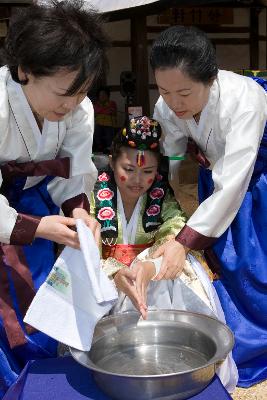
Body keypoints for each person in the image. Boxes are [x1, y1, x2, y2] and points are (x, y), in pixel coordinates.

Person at [0, 0, 109, 396]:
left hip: (36, 207)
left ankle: (44, 380)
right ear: (25, 70)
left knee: (47, 295)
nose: (72, 104)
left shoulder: (78, 110)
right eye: (65, 92)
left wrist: (79, 213)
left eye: (82, 92)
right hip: (9, 215)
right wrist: (30, 227)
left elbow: (73, 169)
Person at [149, 25, 267, 388]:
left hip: (253, 181)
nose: (174, 102)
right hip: (214, 178)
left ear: (211, 79)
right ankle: (233, 335)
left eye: (184, 92)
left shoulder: (245, 99)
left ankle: (258, 345)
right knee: (219, 261)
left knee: (251, 262)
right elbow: (166, 156)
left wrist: (183, 241)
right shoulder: (167, 104)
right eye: (165, 91)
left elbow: (234, 180)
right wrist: (158, 201)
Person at [89, 116, 238, 392]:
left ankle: (190, 355)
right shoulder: (92, 194)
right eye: (128, 168)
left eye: (148, 172)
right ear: (111, 162)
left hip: (149, 275)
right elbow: (83, 247)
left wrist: (151, 264)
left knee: (182, 265)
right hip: (104, 274)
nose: (138, 180)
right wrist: (114, 271)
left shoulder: (159, 193)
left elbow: (174, 225)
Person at [93, 86, 117, 153]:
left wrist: (100, 110)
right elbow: (96, 111)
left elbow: (112, 111)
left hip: (109, 124)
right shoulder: (96, 104)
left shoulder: (112, 103)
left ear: (108, 95)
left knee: (109, 133)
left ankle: (109, 148)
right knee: (96, 132)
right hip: (99, 124)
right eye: (101, 95)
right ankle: (99, 148)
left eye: (104, 95)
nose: (102, 96)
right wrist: (105, 110)